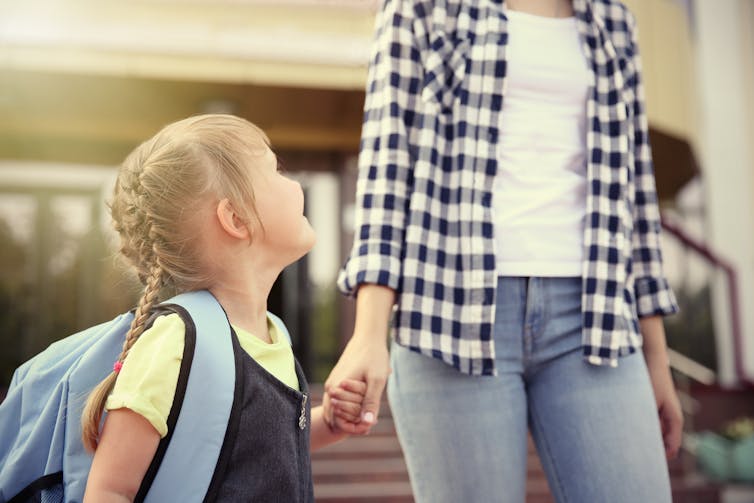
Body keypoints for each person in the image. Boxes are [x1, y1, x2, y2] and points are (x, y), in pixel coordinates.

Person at [324, 0, 683, 501]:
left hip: (594, 318)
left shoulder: (613, 19)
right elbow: (388, 165)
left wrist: (657, 357)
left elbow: (636, 191)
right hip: (449, 314)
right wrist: (368, 334)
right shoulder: (423, 8)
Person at [81, 114, 366, 502]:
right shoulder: (176, 343)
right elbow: (110, 489)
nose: (295, 184)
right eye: (275, 170)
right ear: (235, 218)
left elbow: (254, 453)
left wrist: (328, 423)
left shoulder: (272, 333)